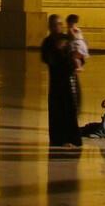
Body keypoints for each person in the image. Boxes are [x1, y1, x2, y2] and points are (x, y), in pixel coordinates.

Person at [40, 14, 81, 148]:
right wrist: (59, 50)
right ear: (50, 27)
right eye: (54, 25)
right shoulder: (47, 42)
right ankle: (58, 139)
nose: (57, 27)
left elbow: (78, 54)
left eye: (59, 24)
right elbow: (48, 59)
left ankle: (72, 138)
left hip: (70, 81)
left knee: (70, 111)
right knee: (57, 112)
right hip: (57, 83)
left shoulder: (67, 39)